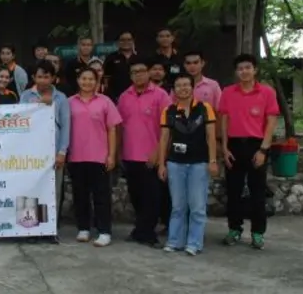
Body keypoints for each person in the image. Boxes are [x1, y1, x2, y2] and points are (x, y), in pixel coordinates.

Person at [218, 54, 279, 250]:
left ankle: (258, 233)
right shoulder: (228, 92)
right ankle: (234, 229)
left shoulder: (267, 92)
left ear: (255, 70)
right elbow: (224, 121)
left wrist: (263, 149)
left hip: (257, 145)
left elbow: (271, 122)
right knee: (233, 191)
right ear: (236, 72)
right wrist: (224, 148)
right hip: (234, 145)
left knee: (257, 192)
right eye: (240, 68)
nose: (244, 71)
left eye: (248, 67)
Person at [158, 73, 218, 255]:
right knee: (178, 206)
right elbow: (164, 139)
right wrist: (162, 164)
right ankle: (175, 240)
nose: (183, 88)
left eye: (186, 85)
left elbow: (211, 136)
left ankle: (194, 243)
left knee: (197, 206)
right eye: (178, 85)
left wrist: (213, 160)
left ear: (193, 88)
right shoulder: (168, 111)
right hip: (175, 163)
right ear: (173, 90)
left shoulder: (204, 108)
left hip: (199, 163)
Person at [117, 57, 171, 247]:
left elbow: (168, 127)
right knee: (136, 196)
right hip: (130, 155)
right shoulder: (124, 97)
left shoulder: (161, 95)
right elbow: (119, 127)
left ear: (149, 72)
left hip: (152, 156)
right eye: (134, 72)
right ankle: (140, 229)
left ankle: (148, 233)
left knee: (153, 197)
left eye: (141, 71)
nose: (138, 75)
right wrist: (118, 152)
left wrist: (159, 152)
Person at [68, 67, 122, 247]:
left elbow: (112, 129)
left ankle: (104, 231)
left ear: (96, 82)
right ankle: (83, 228)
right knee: (80, 195)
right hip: (76, 156)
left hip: (99, 156)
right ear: (78, 80)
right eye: (84, 78)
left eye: (91, 79)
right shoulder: (69, 102)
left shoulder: (105, 102)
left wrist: (112, 155)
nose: (87, 82)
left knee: (101, 196)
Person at [20, 61, 70, 241]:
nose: (43, 80)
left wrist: (62, 152)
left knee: (53, 191)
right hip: (30, 152)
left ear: (53, 78)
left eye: (47, 76)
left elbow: (65, 126)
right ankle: (29, 229)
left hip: (53, 152)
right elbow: (21, 121)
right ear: (34, 78)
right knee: (30, 190)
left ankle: (50, 230)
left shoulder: (61, 98)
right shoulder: (26, 96)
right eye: (39, 76)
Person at [103, 30, 136, 102]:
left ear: (133, 41)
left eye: (129, 39)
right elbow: (106, 80)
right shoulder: (111, 58)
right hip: (116, 97)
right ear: (118, 42)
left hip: (137, 97)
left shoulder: (140, 58)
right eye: (122, 40)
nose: (126, 42)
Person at [154, 27, 182, 92]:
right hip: (158, 90)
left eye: (167, 36)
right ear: (157, 39)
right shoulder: (153, 58)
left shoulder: (179, 57)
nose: (165, 39)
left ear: (172, 38)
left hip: (178, 91)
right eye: (161, 36)